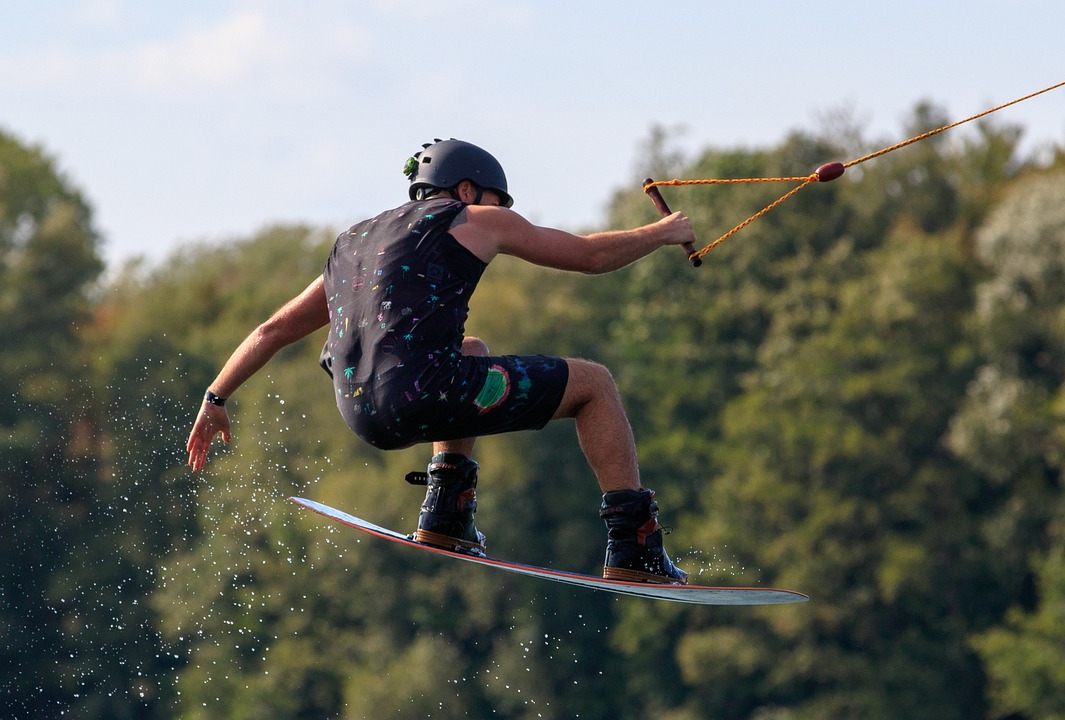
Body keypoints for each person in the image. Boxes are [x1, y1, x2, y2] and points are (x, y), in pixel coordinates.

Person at [185, 138, 695, 584]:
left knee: (471, 350)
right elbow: (589, 256)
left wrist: (215, 397)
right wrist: (662, 232)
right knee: (595, 385)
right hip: (425, 392)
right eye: (498, 201)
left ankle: (445, 514)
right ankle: (635, 547)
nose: (503, 213)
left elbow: (271, 330)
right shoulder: (470, 218)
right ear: (467, 189)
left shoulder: (355, 244)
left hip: (361, 412)